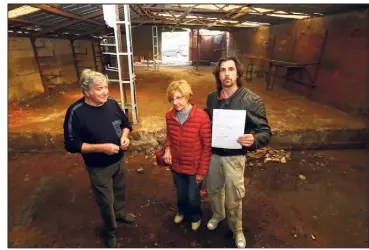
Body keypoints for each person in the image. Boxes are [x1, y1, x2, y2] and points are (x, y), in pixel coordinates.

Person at [63, 69, 135, 248]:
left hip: (119, 160)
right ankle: (110, 231)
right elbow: (71, 145)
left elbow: (126, 124)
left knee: (119, 189)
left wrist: (125, 136)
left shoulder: (111, 103)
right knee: (105, 200)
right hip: (98, 167)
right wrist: (102, 148)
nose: (105, 92)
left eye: (106, 87)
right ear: (87, 92)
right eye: (99, 88)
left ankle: (119, 214)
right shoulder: (76, 112)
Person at [205, 56, 272, 248]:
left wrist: (254, 140)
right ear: (218, 74)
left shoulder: (250, 100)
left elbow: (265, 132)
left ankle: (237, 229)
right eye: (223, 70)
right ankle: (218, 215)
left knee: (234, 196)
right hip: (214, 155)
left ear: (238, 72)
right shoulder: (212, 98)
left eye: (231, 69)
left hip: (235, 157)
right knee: (214, 189)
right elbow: (208, 120)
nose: (227, 73)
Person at [162, 80, 212, 231]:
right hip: (177, 164)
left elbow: (207, 146)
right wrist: (167, 149)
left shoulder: (202, 117)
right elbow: (169, 137)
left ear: (188, 96)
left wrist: (202, 172)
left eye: (179, 97)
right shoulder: (169, 116)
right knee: (181, 193)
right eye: (172, 99)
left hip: (194, 167)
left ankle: (195, 215)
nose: (175, 102)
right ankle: (181, 211)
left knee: (193, 195)